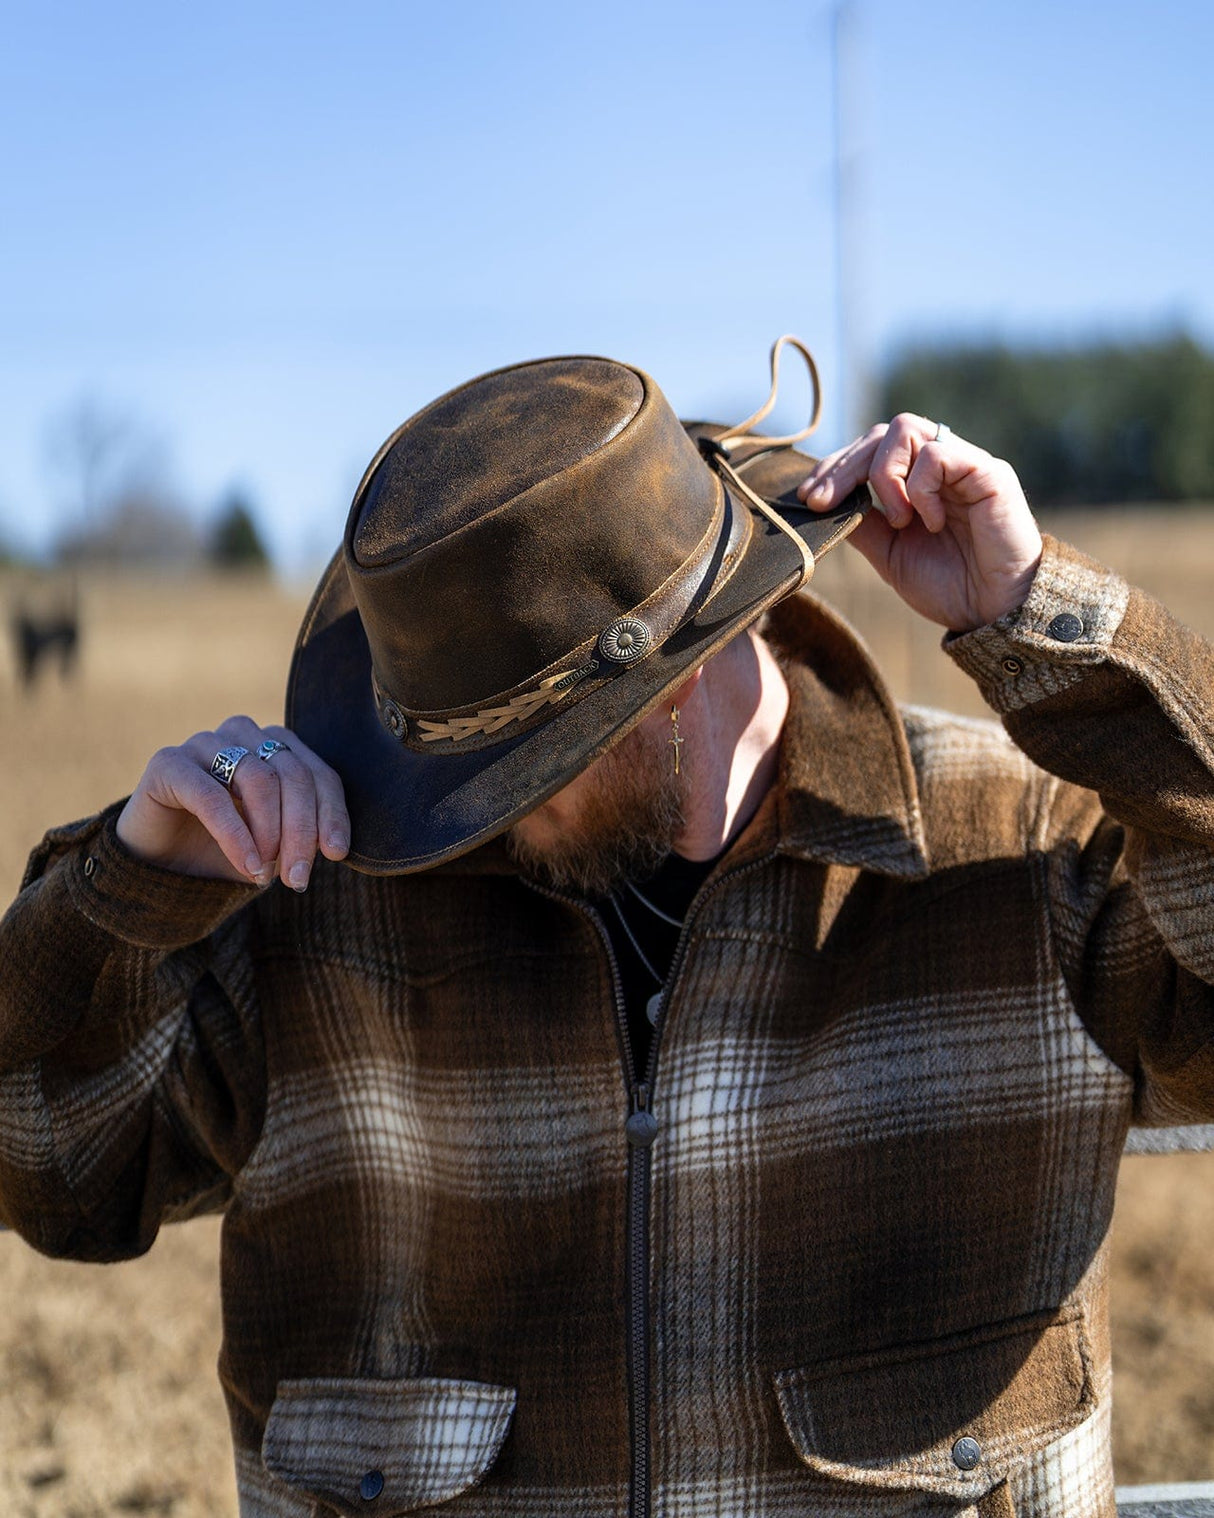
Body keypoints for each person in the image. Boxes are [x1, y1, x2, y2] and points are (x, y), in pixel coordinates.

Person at [1, 339, 1212, 1518]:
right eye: (436, 750)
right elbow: (45, 1166)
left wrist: (1061, 638)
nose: (460, 812)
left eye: (517, 757)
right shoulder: (321, 914)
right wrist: (123, 888)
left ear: (681, 666)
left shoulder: (1016, 847)